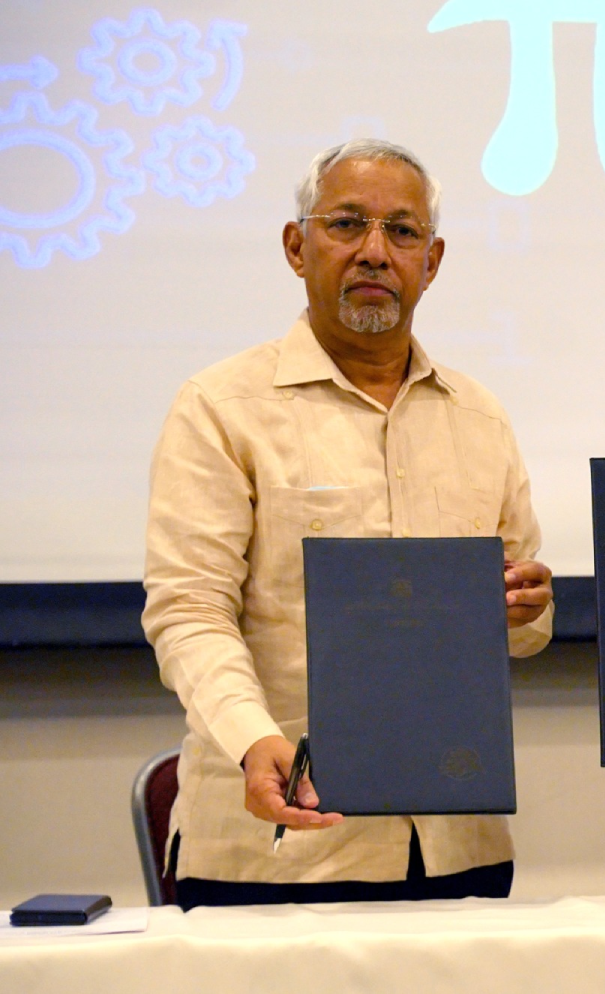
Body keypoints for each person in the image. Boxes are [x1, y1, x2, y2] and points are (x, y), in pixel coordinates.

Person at [142, 139, 554, 909]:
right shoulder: (221, 408)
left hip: (455, 845)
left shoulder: (479, 418)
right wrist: (252, 738)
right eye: (346, 224)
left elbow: (524, 632)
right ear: (297, 247)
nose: (374, 251)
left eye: (402, 231)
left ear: (432, 261)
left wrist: (526, 606)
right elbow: (189, 611)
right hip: (279, 851)